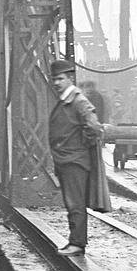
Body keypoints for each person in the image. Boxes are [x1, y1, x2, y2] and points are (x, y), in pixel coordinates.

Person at [49, 58, 105, 254]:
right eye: (54, 79)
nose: (56, 83)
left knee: (75, 203)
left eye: (60, 79)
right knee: (72, 202)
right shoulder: (67, 99)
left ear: (70, 78)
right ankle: (75, 241)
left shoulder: (78, 100)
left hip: (74, 160)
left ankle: (77, 243)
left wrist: (80, 147)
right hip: (67, 159)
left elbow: (94, 127)